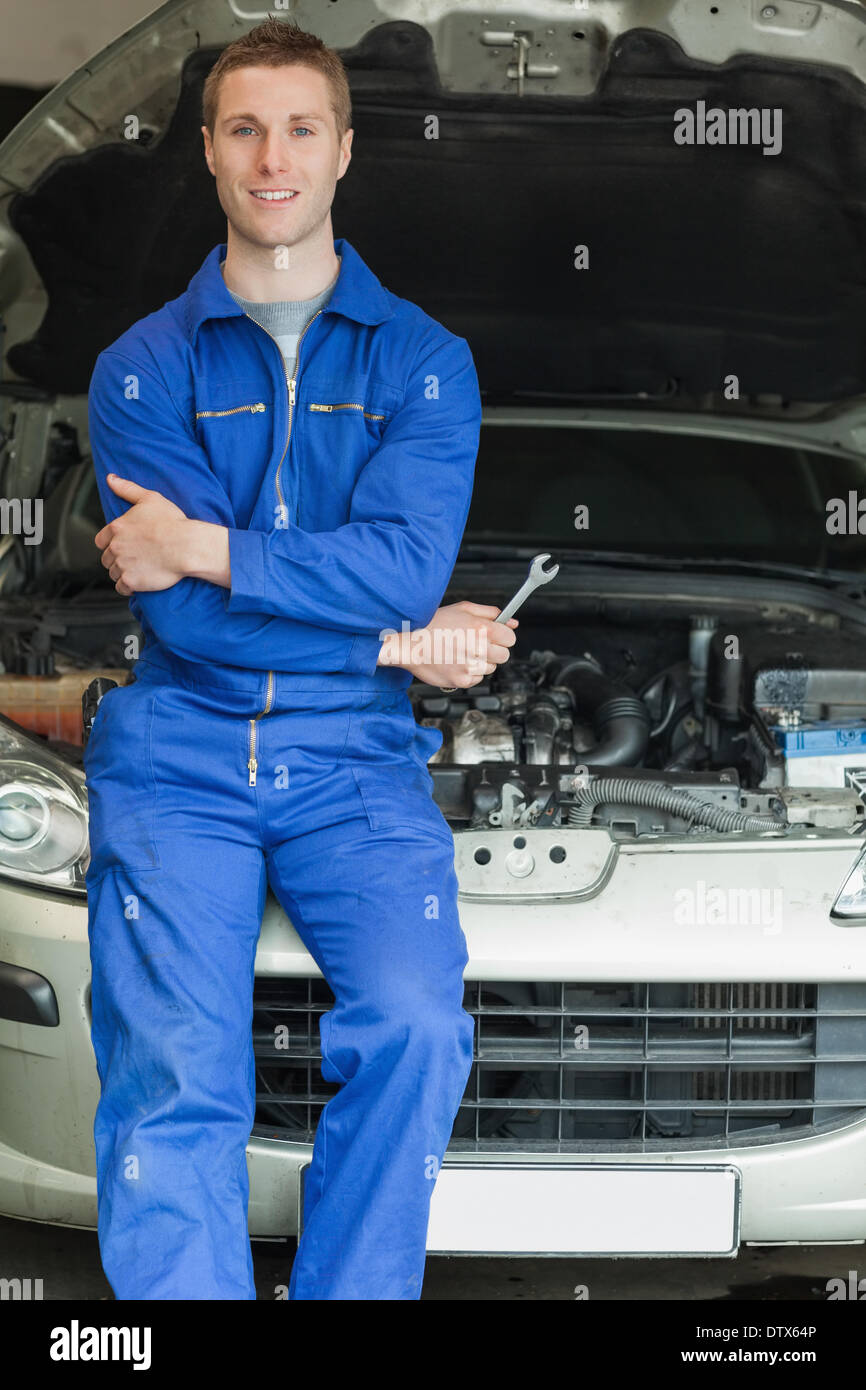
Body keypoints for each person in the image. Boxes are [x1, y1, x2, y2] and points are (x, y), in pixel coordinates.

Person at [84, 16, 518, 1300]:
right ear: (209, 153)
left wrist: (200, 545)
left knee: (418, 1027)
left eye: (299, 129)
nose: (272, 158)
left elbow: (400, 565)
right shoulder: (138, 368)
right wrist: (392, 639)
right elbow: (187, 624)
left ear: (343, 150)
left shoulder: (423, 362)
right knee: (175, 1068)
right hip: (179, 753)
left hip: (354, 759)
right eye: (244, 129)